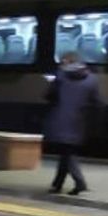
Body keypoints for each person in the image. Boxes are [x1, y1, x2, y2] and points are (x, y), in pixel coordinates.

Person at [44, 51, 102, 195]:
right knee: (66, 152)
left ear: (66, 63)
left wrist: (53, 82)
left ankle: (80, 182)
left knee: (67, 154)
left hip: (62, 119)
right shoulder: (92, 79)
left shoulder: (61, 76)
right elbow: (98, 103)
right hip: (79, 121)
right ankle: (57, 185)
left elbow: (48, 96)